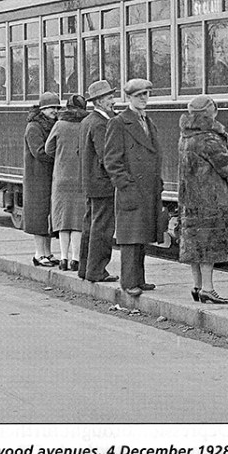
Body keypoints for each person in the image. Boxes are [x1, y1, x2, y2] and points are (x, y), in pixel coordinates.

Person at [177, 95, 228, 304]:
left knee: (195, 246)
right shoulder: (208, 139)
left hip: (190, 199)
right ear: (210, 111)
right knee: (208, 247)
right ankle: (208, 289)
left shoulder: (186, 136)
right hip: (210, 200)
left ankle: (197, 287)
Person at [102, 78, 163, 297]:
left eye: (147, 94)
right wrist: (125, 184)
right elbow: (111, 160)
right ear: (128, 98)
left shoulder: (147, 121)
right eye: (139, 95)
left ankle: (139, 278)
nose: (144, 99)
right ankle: (129, 282)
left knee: (142, 235)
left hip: (147, 188)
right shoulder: (119, 123)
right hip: (132, 189)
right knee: (130, 237)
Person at [78, 80, 119, 283]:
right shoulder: (101, 123)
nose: (113, 101)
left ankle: (85, 268)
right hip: (103, 184)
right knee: (103, 229)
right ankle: (97, 271)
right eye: (110, 98)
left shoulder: (88, 121)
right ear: (100, 101)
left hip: (91, 183)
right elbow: (106, 155)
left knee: (90, 226)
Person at [45, 94, 89, 271]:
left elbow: (49, 148)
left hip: (61, 178)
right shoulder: (85, 125)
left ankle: (63, 259)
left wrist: (61, 156)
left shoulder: (59, 125)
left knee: (63, 220)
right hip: (80, 177)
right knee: (77, 221)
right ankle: (75, 260)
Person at [23, 91, 61, 267]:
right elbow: (39, 152)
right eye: (51, 108)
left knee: (47, 216)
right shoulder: (34, 127)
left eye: (56, 107)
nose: (55, 111)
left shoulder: (51, 124)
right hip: (37, 178)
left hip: (47, 176)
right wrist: (59, 156)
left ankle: (48, 253)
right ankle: (39, 254)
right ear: (43, 109)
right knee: (39, 217)